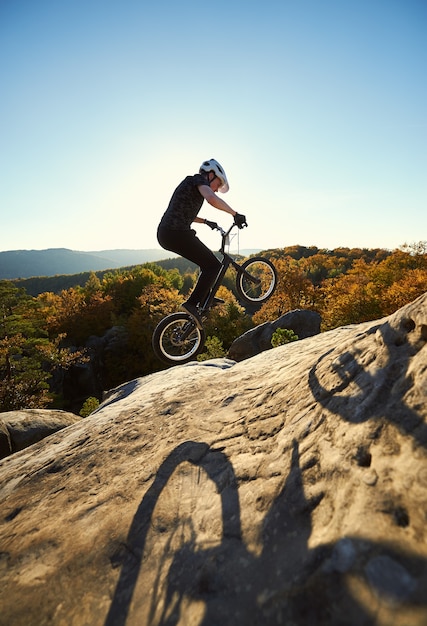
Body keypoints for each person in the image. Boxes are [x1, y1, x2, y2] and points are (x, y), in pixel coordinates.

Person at [157, 159, 247, 327]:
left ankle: (204, 296)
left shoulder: (190, 186)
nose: (216, 190)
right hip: (176, 233)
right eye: (217, 184)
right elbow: (211, 199)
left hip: (169, 233)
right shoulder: (197, 180)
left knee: (205, 262)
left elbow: (184, 211)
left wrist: (206, 222)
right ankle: (192, 304)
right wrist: (235, 214)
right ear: (210, 175)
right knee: (213, 265)